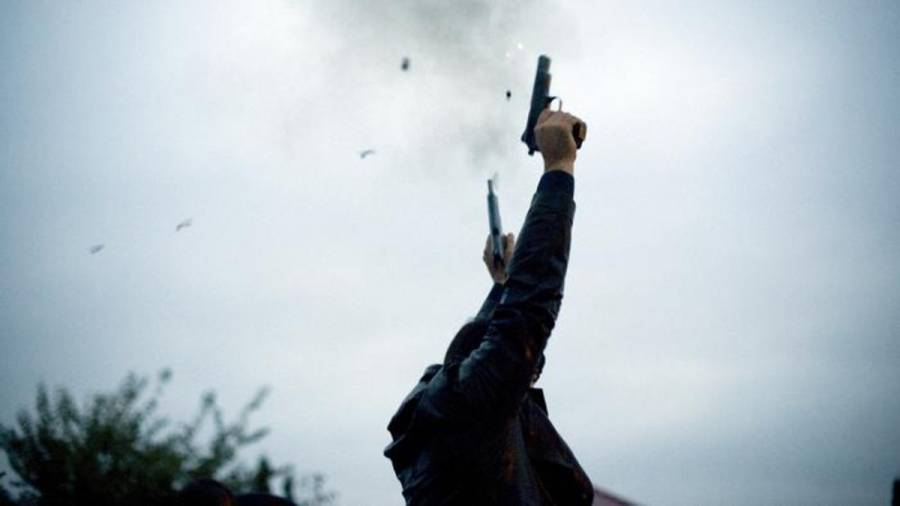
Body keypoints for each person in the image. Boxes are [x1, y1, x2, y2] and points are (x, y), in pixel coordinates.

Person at [384, 108, 594, 505]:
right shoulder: (469, 408)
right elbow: (526, 315)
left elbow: (509, 331)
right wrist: (558, 171)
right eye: (521, 368)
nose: (528, 370)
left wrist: (501, 286)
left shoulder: (454, 415)